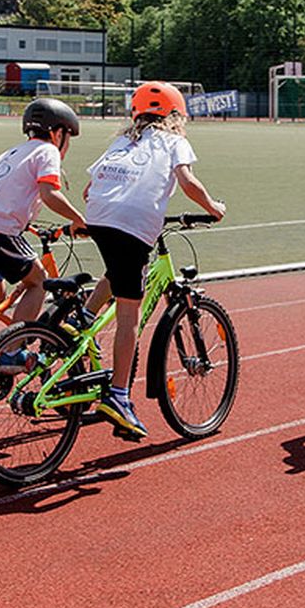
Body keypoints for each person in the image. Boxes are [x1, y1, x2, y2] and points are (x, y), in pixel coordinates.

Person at [82, 81, 225, 440]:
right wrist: (213, 208)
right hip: (132, 222)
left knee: (119, 270)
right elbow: (187, 182)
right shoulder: (175, 141)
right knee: (130, 312)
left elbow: (88, 187)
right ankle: (117, 396)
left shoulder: (123, 140)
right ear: (176, 115)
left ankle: (82, 317)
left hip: (97, 216)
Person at [0, 98, 86, 326]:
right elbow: (49, 194)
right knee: (39, 282)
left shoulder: (11, 152)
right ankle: (12, 352)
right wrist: (80, 220)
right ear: (57, 133)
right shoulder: (47, 151)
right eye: (68, 138)